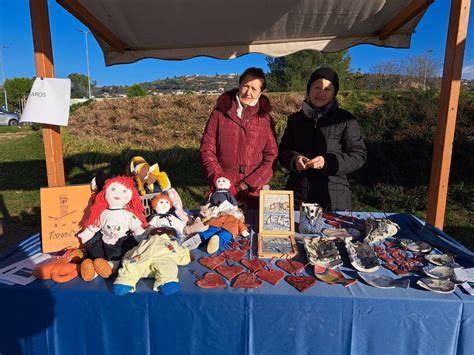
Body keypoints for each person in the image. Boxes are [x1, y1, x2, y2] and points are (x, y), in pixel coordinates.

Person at [279, 67, 366, 211]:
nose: (321, 93)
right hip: (298, 193)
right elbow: (283, 150)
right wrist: (294, 159)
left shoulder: (346, 120)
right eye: (317, 87)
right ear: (309, 89)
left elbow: (358, 155)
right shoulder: (294, 120)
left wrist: (327, 162)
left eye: (327, 89)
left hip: (334, 195)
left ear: (334, 94)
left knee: (333, 233)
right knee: (295, 233)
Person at [200, 67, 278, 209]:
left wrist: (250, 183)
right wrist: (219, 178)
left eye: (254, 89)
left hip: (253, 191)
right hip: (223, 189)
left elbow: (272, 155)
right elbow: (207, 149)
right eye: (245, 86)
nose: (248, 92)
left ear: (261, 92)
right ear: (239, 85)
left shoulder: (265, 119)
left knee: (251, 228)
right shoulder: (219, 114)